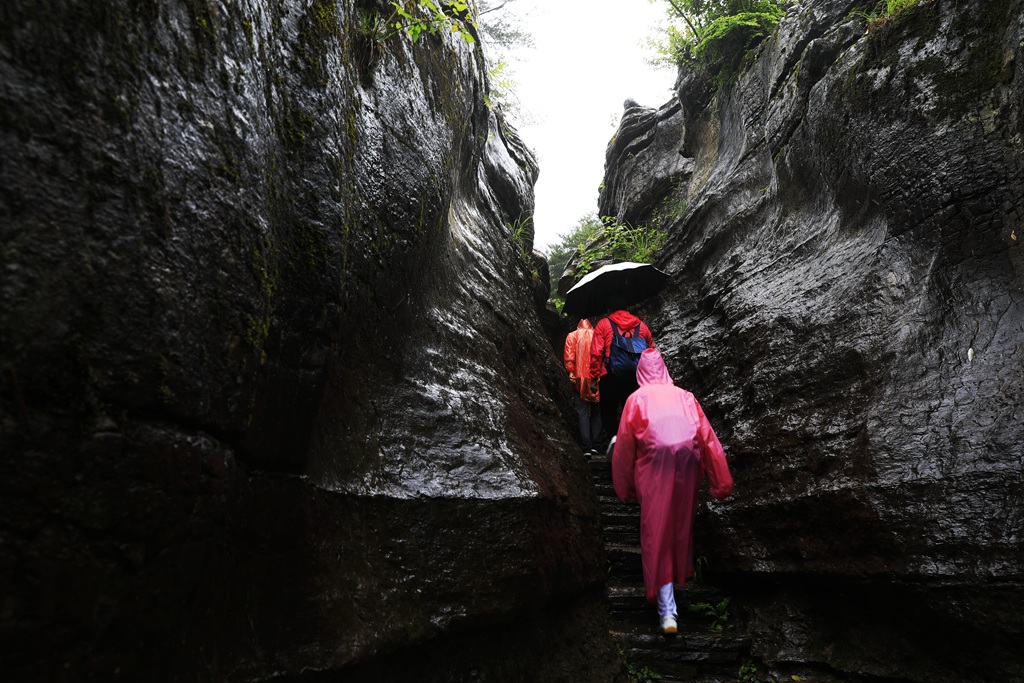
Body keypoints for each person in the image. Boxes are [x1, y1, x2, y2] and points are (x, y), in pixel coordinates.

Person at [611, 348, 734, 636]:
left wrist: (624, 485)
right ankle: (678, 581)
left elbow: (625, 448)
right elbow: (707, 436)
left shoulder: (636, 399)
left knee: (658, 529)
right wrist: (721, 481)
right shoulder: (685, 396)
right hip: (689, 459)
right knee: (678, 526)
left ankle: (668, 613)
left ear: (641, 373)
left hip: (655, 461)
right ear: (665, 369)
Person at [588, 296, 655, 443]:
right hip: (636, 376)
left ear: (608, 310)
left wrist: (593, 377)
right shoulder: (641, 325)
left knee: (608, 411)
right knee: (633, 410)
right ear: (627, 308)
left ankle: (615, 439)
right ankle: (634, 442)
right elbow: (651, 350)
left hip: (610, 375)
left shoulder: (604, 324)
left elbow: (596, 352)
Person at [563, 318, 602, 456]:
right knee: (597, 412)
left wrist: (571, 372)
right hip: (595, 378)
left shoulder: (572, 336)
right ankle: (596, 446)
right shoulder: (597, 334)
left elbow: (569, 357)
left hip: (579, 378)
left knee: (582, 411)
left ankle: (586, 447)